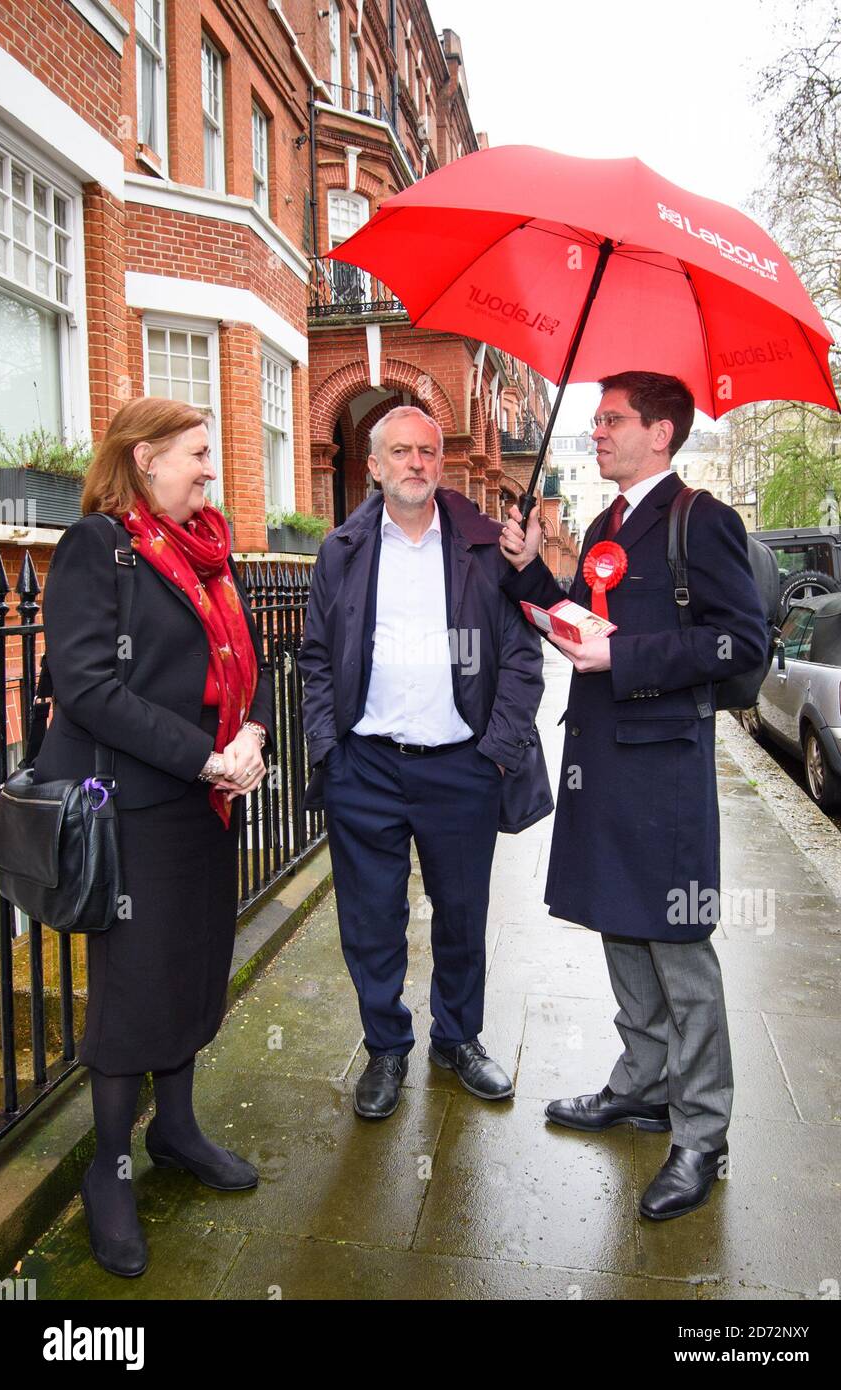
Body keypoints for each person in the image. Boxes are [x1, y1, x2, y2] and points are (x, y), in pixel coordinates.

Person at [500, 371, 768, 1221]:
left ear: (661, 433)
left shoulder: (702, 520)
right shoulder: (610, 525)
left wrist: (630, 661)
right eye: (597, 419)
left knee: (679, 947)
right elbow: (582, 621)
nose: (597, 432)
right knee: (621, 924)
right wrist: (529, 573)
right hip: (602, 760)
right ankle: (644, 1085)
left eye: (611, 420)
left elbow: (739, 643)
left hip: (664, 770)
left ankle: (701, 1133)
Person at [35, 397, 272, 1276]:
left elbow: (237, 668)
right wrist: (207, 759)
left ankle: (175, 1131)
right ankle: (110, 1169)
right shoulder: (98, 548)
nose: (210, 469)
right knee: (134, 992)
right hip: (130, 810)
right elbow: (90, 688)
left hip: (201, 806)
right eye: (198, 454)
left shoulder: (205, 550)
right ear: (144, 458)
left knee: (194, 967)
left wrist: (250, 741)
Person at [298, 406, 549, 1120]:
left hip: (460, 768)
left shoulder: (481, 547)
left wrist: (496, 755)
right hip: (365, 768)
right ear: (373, 466)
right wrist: (328, 750)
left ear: (441, 464)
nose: (416, 462)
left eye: (429, 452)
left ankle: (458, 1038)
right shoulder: (342, 549)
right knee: (371, 919)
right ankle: (385, 1047)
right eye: (400, 452)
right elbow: (316, 658)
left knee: (462, 915)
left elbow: (523, 657)